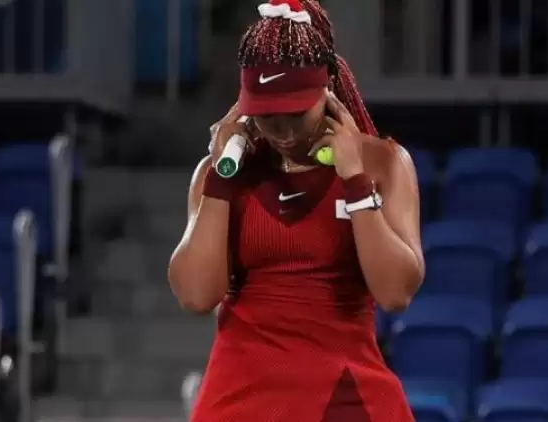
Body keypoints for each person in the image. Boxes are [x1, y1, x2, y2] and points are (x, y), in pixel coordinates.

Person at [167, 0, 424, 420]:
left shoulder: (383, 164)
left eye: (296, 114)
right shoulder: (220, 175)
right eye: (267, 116)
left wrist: (355, 180)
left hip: (344, 389)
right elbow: (196, 295)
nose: (284, 132)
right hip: (241, 392)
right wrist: (221, 177)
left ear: (328, 88)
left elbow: (396, 293)